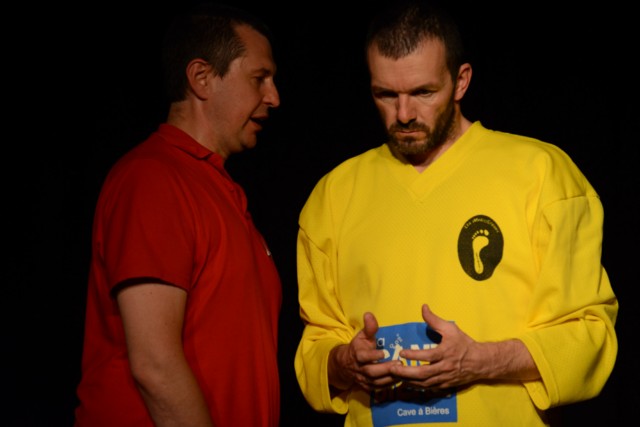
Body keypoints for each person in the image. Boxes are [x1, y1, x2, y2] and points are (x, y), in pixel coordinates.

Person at [294, 1, 618, 426]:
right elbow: (316, 343)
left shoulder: (541, 173)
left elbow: (589, 333)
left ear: (461, 81)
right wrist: (344, 363)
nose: (404, 114)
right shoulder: (334, 194)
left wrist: (482, 360)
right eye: (386, 95)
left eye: (423, 92)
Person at [74, 3, 282, 426]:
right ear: (201, 78)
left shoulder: (220, 191)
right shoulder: (153, 179)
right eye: (259, 78)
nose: (274, 97)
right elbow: (155, 365)